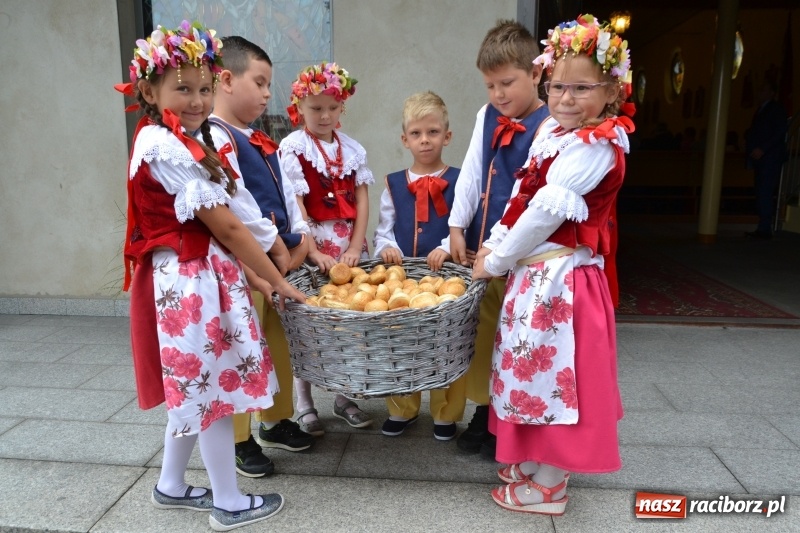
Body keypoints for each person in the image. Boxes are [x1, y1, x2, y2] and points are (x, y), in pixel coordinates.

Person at [117, 21, 306, 530]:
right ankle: (227, 500)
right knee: (212, 389)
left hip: (198, 276)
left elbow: (229, 225)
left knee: (193, 387)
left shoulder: (185, 139)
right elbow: (225, 224)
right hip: (188, 281)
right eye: (182, 89)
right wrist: (277, 278)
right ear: (149, 91)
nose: (197, 100)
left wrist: (261, 276)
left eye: (203, 88)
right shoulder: (164, 145)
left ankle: (171, 486)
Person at [471, 14, 631, 516]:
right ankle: (535, 456)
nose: (565, 97)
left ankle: (551, 484)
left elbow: (543, 213)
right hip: (535, 278)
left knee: (560, 378)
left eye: (582, 87)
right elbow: (521, 197)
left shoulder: (597, 145)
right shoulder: (554, 135)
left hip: (563, 282)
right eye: (558, 85)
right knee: (528, 372)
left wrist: (498, 257)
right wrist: (495, 243)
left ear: (610, 90)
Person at [207, 35, 315, 478]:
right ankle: (237, 437)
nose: (268, 93)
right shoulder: (216, 136)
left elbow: (288, 193)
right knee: (239, 350)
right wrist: (273, 250)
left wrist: (302, 236)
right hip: (247, 264)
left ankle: (274, 419)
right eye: (261, 82)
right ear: (227, 80)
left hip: (279, 258)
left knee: (275, 342)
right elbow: (236, 203)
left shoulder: (259, 138)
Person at [447, 19, 550, 458]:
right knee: (484, 332)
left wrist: (502, 248)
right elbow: (472, 172)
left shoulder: (549, 126)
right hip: (480, 253)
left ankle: (509, 422)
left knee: (517, 341)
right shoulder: (486, 116)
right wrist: (455, 223)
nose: (498, 95)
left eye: (507, 83)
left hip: (520, 256)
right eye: (490, 85)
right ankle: (483, 414)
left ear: (537, 74)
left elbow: (533, 201)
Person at [279, 62, 375, 433]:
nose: (324, 115)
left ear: (342, 109)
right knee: (308, 322)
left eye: (332, 108)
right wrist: (313, 249)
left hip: (348, 243)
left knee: (348, 320)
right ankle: (304, 401)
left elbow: (363, 200)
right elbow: (295, 204)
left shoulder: (352, 149)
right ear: (300, 107)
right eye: (316, 108)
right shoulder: (294, 148)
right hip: (312, 242)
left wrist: (355, 246)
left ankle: (342, 394)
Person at [372, 91, 464, 440]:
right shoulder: (394, 184)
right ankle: (402, 407)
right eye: (416, 134)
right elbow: (384, 229)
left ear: (447, 135)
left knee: (446, 343)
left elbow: (463, 222)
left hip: (446, 278)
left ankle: (445, 412)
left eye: (433, 132)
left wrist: (445, 247)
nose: (425, 140)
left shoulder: (459, 179)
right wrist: (388, 248)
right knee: (402, 343)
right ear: (405, 139)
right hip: (404, 280)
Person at [744, 80, 789, 240]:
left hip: (769, 157)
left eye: (763, 89)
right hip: (761, 157)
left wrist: (763, 148)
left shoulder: (776, 109)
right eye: (759, 90)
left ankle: (765, 228)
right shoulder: (761, 110)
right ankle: (762, 225)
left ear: (771, 93)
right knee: (761, 190)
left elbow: (779, 132)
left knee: (765, 190)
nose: (759, 93)